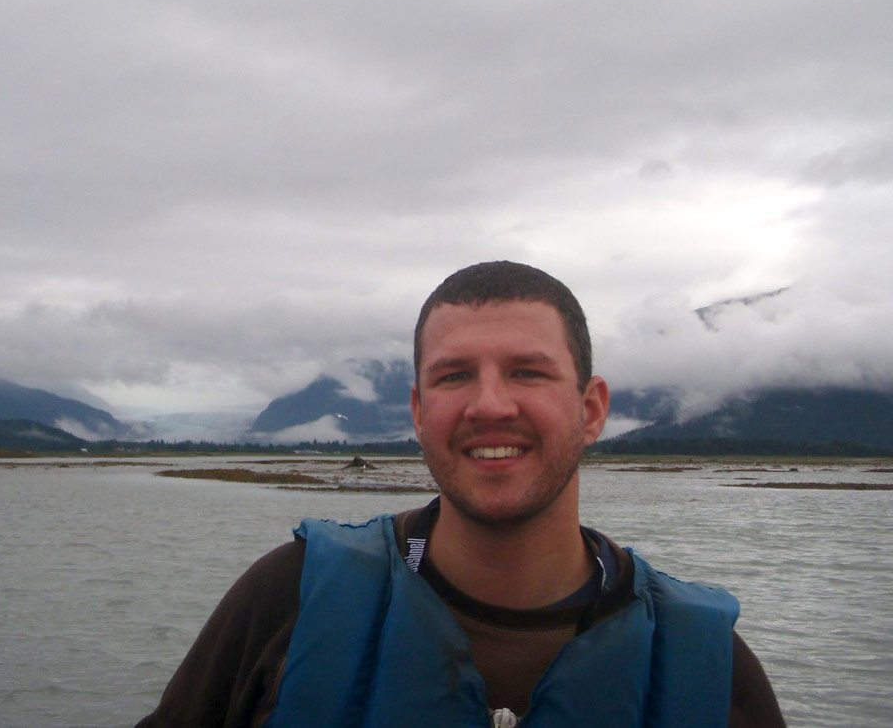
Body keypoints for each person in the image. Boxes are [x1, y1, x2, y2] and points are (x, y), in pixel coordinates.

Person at [136, 261, 785, 727]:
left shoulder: (707, 668)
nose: (490, 405)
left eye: (528, 372)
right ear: (419, 413)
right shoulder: (287, 602)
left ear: (591, 410)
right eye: (455, 376)